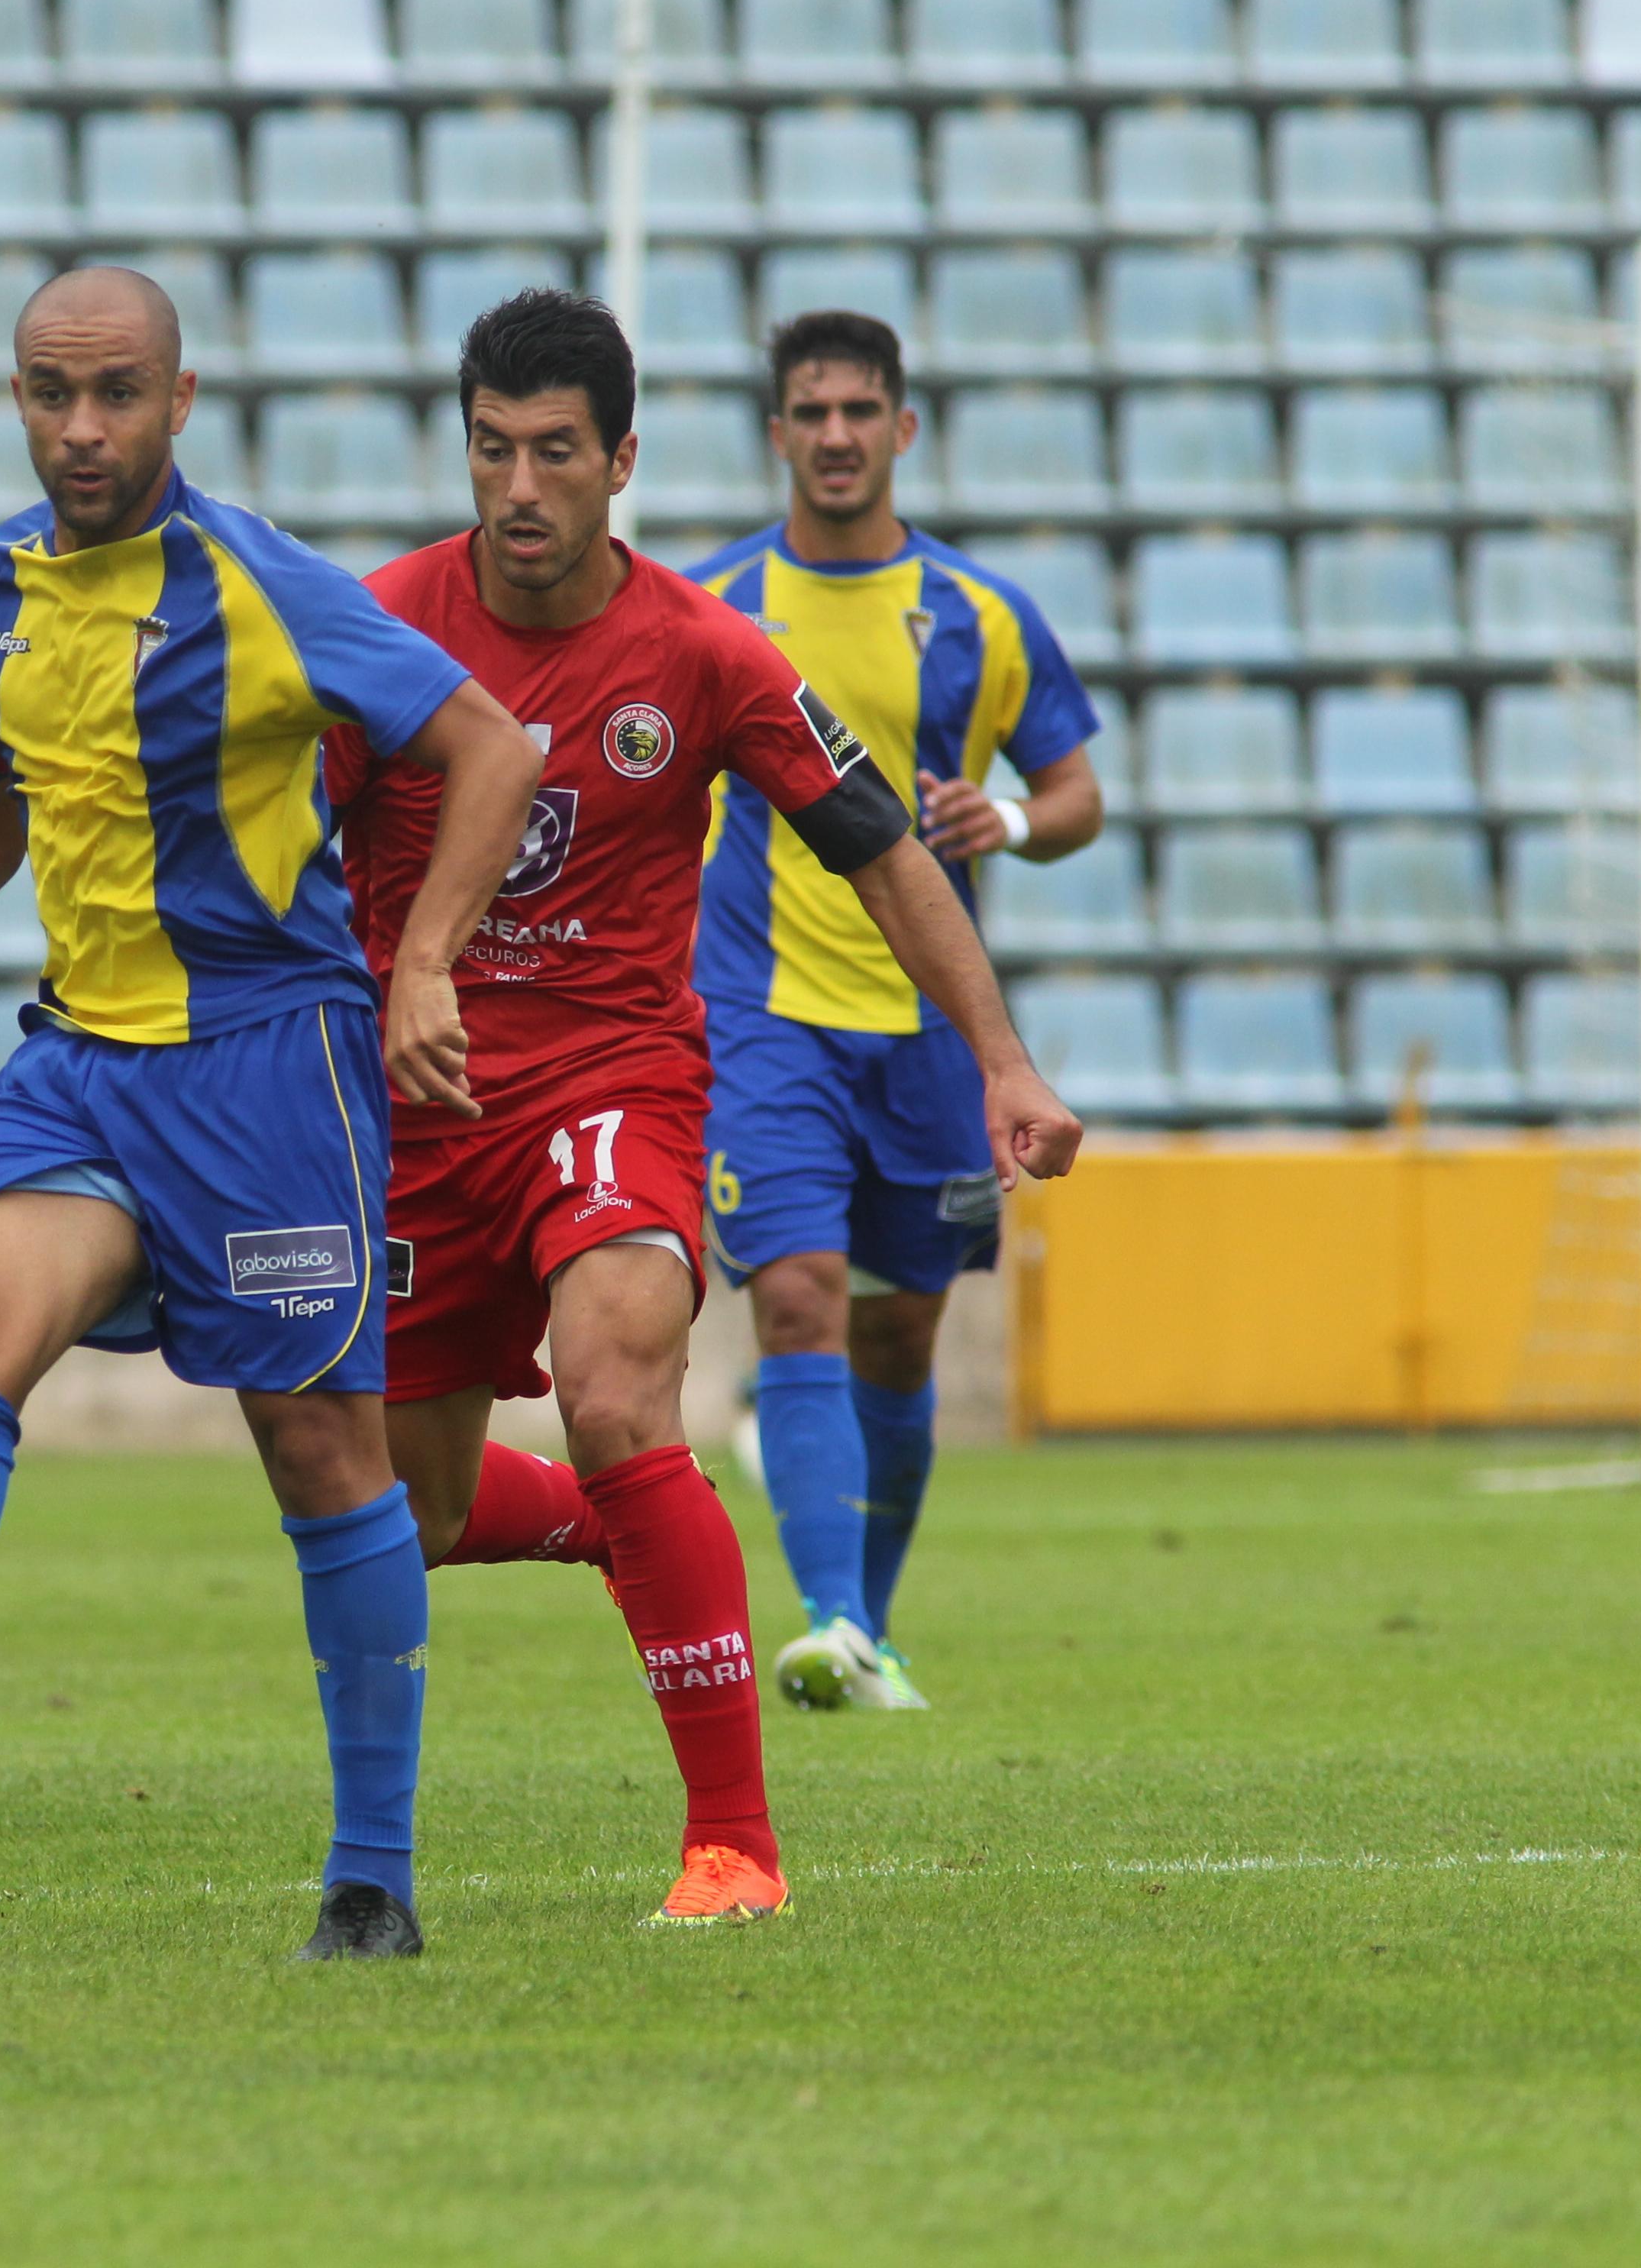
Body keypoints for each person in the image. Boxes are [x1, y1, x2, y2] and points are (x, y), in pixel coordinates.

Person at [0, 265, 544, 1962]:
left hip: (270, 1068)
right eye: (52, 394)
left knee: (319, 1454)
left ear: (181, 400)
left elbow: (491, 746)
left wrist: (425, 961)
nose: (84, 428)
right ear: (15, 396)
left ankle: (374, 1880)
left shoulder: (263, 586)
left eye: (119, 393)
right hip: (82, 1064)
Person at [334, 292, 1083, 1925]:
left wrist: (1005, 1062)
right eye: (490, 450)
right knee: (405, 1504)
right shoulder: (378, 627)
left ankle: (732, 1845)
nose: (519, 487)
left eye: (554, 453)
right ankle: (633, 1534)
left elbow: (887, 845)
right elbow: (270, 855)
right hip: (418, 1109)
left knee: (617, 1395)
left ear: (620, 463)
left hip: (616, 1086)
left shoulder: (709, 650)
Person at [683, 312, 1109, 1713]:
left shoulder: (982, 615)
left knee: (900, 1334)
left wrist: (1016, 824)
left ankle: (867, 1618)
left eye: (862, 410)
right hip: (764, 1013)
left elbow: (1076, 796)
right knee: (798, 1297)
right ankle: (832, 1625)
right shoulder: (715, 608)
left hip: (929, 1032)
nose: (838, 436)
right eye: (812, 412)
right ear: (778, 433)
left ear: (904, 429)